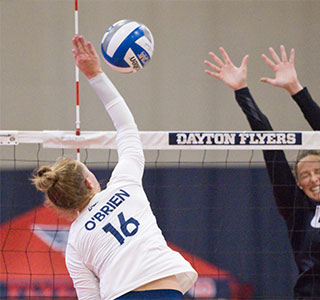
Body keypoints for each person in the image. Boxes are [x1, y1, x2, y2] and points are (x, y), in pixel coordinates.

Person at [32, 35, 197, 300]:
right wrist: (95, 74)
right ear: (89, 182)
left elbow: (89, 297)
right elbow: (126, 127)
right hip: (165, 290)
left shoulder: (74, 241)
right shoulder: (124, 185)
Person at [204, 45, 320, 298]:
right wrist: (242, 92)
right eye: (305, 175)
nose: (314, 178)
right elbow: (271, 150)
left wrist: (296, 89)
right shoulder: (298, 210)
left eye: (318, 171)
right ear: (299, 184)